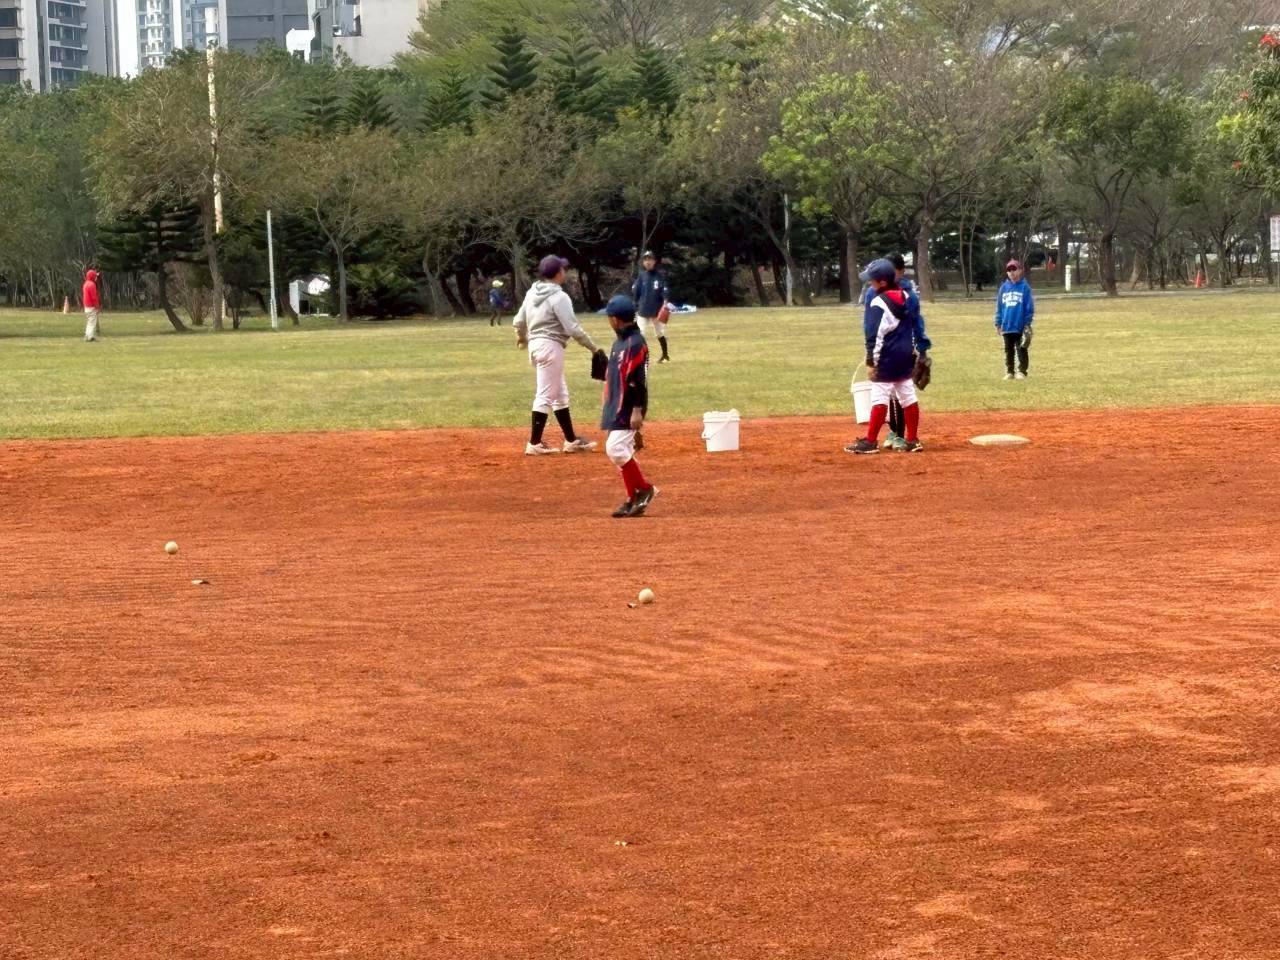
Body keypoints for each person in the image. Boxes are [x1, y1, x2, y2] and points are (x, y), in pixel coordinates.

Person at [513, 255, 603, 456]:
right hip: (550, 347)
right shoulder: (559, 297)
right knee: (544, 395)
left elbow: (518, 321)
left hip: (536, 346)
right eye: (563, 269)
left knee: (560, 394)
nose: (565, 271)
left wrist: (522, 337)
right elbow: (573, 329)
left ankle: (571, 440)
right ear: (557, 273)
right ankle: (534, 443)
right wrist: (593, 348)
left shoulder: (532, 292)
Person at [847, 258, 925, 455]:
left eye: (872, 279)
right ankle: (912, 440)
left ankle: (871, 441)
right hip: (905, 356)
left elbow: (874, 335)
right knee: (908, 397)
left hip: (886, 357)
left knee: (879, 397)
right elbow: (912, 325)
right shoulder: (906, 296)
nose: (869, 282)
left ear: (882, 282)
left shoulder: (878, 302)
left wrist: (871, 361)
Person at [600, 294, 658, 518]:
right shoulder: (619, 343)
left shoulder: (635, 343)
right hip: (617, 404)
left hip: (629, 405)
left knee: (615, 449)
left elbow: (639, 379)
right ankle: (632, 496)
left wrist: (637, 410)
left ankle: (644, 489)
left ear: (615, 319)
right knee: (619, 450)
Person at [995, 259, 1035, 380]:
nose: (1011, 272)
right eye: (1009, 270)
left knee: (1021, 348)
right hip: (1007, 324)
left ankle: (1022, 371)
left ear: (1020, 271)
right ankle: (1010, 371)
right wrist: (998, 323)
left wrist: (1027, 323)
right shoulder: (1004, 288)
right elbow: (999, 307)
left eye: (1014, 269)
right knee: (1008, 350)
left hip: (1020, 325)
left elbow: (1029, 307)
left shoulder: (1024, 287)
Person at [631, 250, 672, 364]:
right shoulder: (641, 276)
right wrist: (634, 305)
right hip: (643, 310)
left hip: (656, 311)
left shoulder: (660, 276)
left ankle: (665, 355)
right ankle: (640, 358)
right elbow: (636, 292)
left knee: (659, 333)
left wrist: (665, 303)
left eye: (650, 259)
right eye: (645, 259)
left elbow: (665, 291)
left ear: (654, 261)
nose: (648, 262)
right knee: (640, 334)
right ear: (643, 262)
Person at [82, 268, 102, 342]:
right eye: (95, 276)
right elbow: (94, 297)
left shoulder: (85, 284)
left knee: (89, 321)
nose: (96, 277)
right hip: (91, 306)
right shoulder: (92, 285)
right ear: (92, 276)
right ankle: (90, 337)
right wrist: (97, 306)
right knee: (92, 322)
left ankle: (87, 335)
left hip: (86, 306)